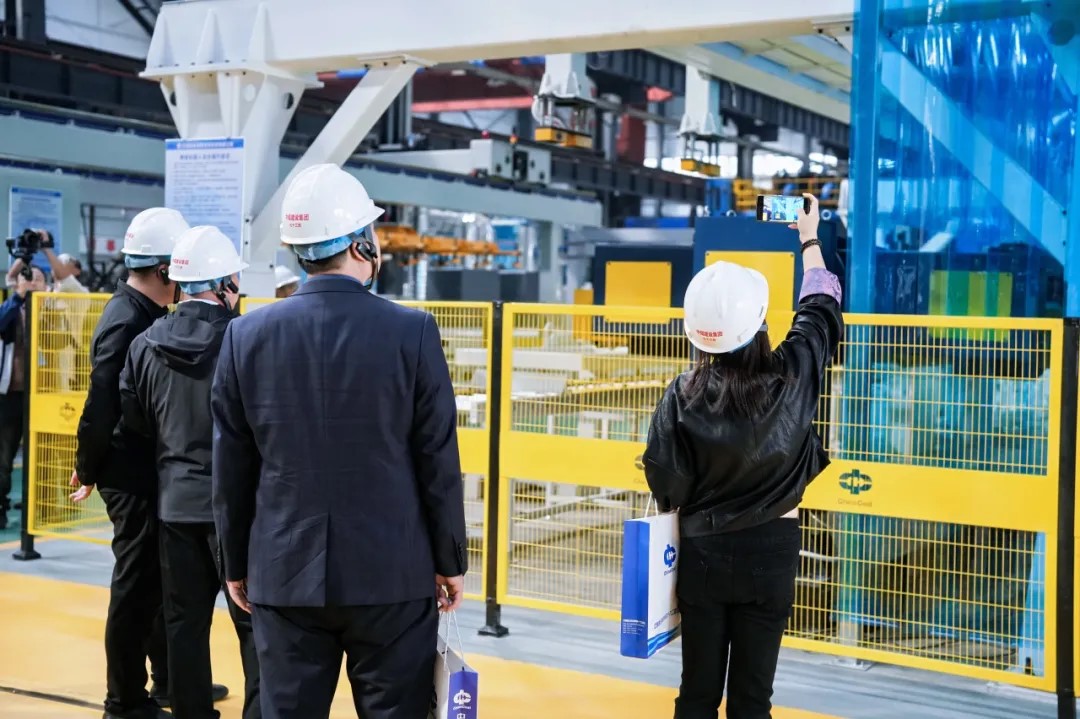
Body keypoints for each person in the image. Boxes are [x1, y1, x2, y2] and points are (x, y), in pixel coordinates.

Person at [212, 163, 468, 719]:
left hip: (283, 573)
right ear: (362, 245)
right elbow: (437, 458)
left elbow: (231, 467)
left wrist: (235, 561)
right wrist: (449, 558)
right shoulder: (412, 331)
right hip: (392, 574)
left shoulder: (244, 335)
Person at [643, 194, 843, 719]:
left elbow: (665, 483)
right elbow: (821, 307)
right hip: (772, 551)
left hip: (702, 553)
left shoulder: (682, 393)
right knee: (753, 699)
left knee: (696, 695)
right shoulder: (795, 373)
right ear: (758, 322)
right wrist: (809, 237)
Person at [69, 208, 229, 719]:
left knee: (161, 586)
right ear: (165, 270)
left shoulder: (145, 314)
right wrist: (88, 466)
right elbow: (102, 402)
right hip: (131, 473)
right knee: (135, 586)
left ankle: (170, 682)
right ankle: (123, 700)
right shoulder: (128, 319)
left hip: (152, 470)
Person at [119, 226, 260, 719]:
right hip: (238, 511)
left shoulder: (144, 344)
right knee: (254, 626)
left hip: (175, 505)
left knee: (183, 623)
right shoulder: (246, 340)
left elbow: (134, 423)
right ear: (224, 284)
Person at [0, 265, 48, 529]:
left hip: (42, 396)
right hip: (10, 395)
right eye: (27, 278)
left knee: (40, 457)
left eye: (38, 279)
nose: (32, 282)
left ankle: (38, 508)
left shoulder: (50, 309)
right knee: (4, 457)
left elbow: (63, 340)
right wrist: (19, 296)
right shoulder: (11, 308)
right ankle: (1, 506)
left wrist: (46, 301)